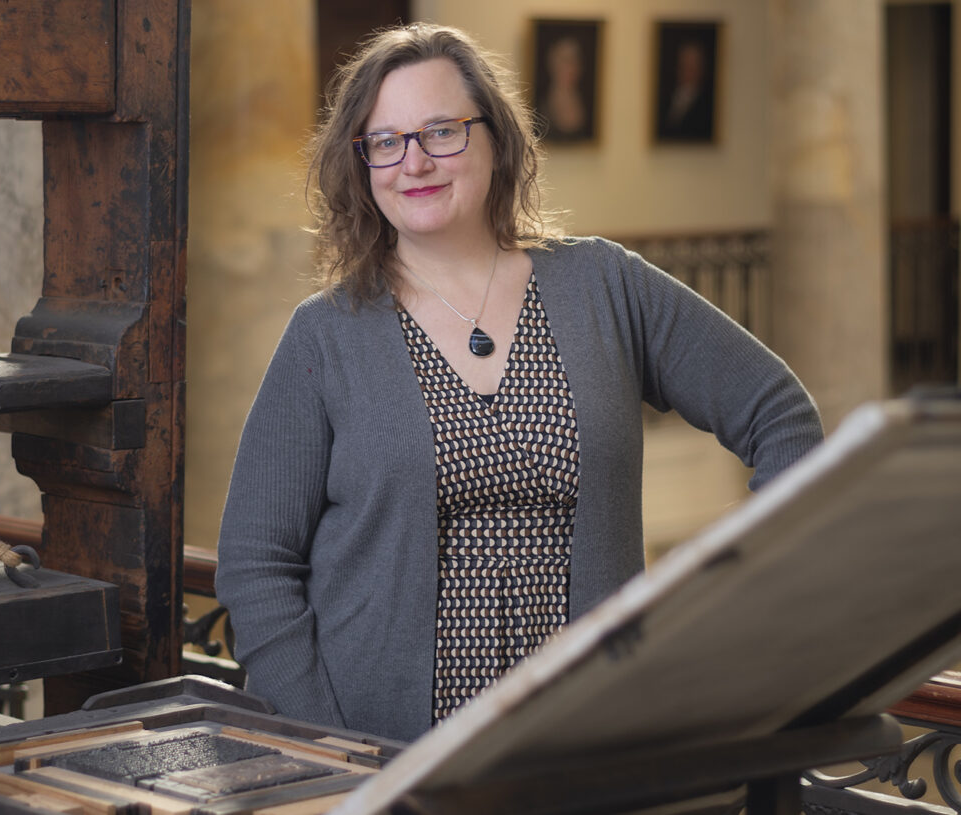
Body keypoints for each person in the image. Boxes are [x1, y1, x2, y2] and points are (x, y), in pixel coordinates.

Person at [214, 23, 822, 744]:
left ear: (495, 139)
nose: (414, 162)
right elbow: (256, 564)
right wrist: (329, 739)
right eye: (386, 141)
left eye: (442, 131)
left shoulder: (604, 284)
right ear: (362, 164)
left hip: (582, 747)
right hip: (389, 754)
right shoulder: (326, 334)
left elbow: (782, 417)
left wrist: (726, 602)